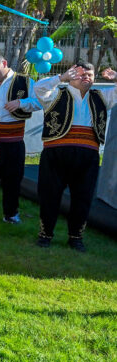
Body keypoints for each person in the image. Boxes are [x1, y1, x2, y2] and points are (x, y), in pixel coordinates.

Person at [32, 63, 117, 251]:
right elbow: (38, 88)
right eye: (80, 74)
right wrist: (59, 78)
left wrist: (116, 77)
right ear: (70, 75)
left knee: (83, 197)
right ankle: (45, 235)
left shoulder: (102, 96)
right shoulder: (56, 94)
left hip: (88, 156)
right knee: (49, 196)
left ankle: (76, 238)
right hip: (55, 154)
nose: (85, 77)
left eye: (89, 74)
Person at [0, 52, 42, 224]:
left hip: (13, 141)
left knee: (13, 179)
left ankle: (11, 214)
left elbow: (40, 102)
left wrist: (21, 103)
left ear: (4, 63)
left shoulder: (25, 82)